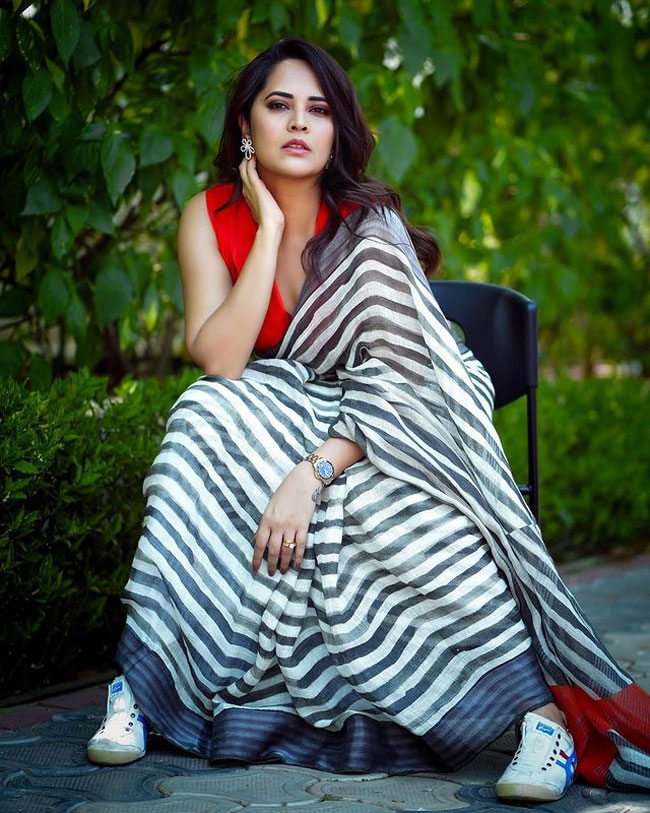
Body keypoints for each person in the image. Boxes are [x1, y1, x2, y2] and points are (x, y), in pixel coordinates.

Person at [86, 37, 650, 803]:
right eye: (278, 105)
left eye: (318, 110)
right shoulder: (208, 215)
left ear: (336, 130)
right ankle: (146, 686)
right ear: (245, 125)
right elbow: (221, 359)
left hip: (381, 415)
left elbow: (409, 377)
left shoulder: (367, 224)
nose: (299, 123)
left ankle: (540, 718)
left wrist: (314, 473)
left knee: (412, 511)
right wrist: (269, 231)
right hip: (268, 405)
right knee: (200, 413)